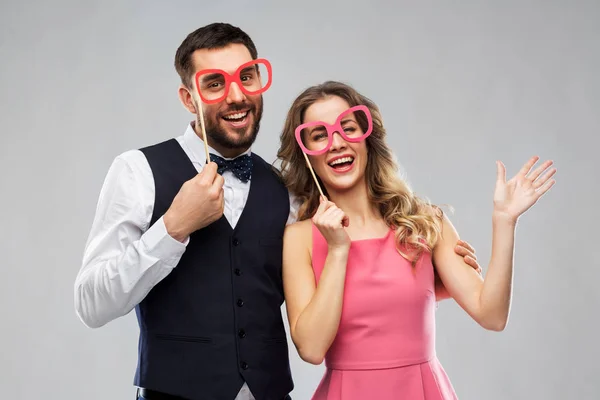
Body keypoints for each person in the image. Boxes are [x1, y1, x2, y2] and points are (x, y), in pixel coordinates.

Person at [74, 23, 482, 400]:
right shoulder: (137, 171)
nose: (236, 95)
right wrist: (173, 227)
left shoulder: (288, 194)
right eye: (214, 83)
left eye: (246, 77)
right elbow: (92, 305)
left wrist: (427, 273)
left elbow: (328, 283)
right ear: (188, 98)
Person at [276, 81, 556, 399]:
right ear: (307, 157)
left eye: (347, 128)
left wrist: (504, 221)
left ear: (367, 138)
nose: (336, 143)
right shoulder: (299, 239)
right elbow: (311, 349)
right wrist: (339, 249)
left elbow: (491, 315)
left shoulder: (425, 223)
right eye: (319, 135)